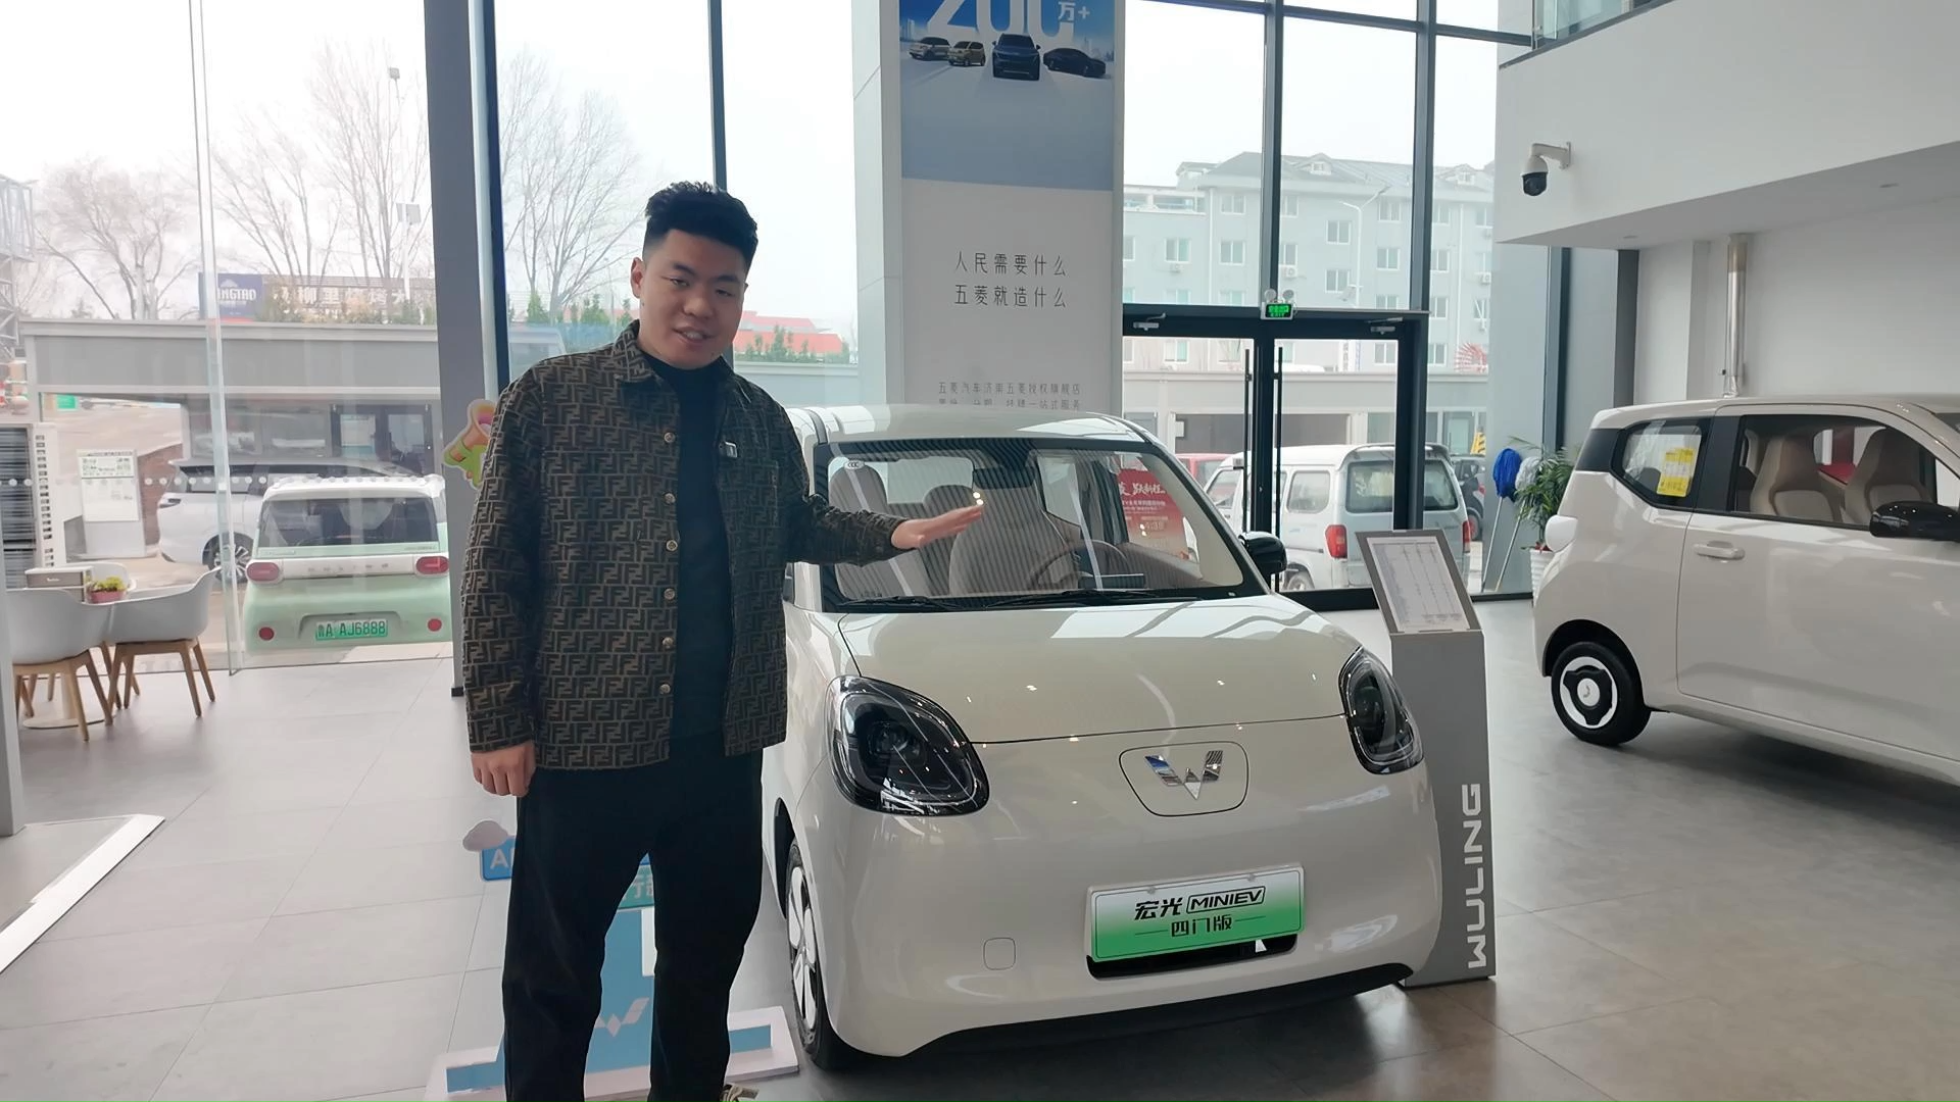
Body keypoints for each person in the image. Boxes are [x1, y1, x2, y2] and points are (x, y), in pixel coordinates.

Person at [460, 182, 982, 1102]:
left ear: (742, 297)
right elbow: (495, 565)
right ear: (639, 276)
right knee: (553, 976)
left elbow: (798, 522)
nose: (700, 305)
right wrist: (499, 720)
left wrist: (892, 532)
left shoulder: (758, 420)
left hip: (721, 753)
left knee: (703, 969)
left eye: (724, 287)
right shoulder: (552, 402)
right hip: (585, 750)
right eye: (681, 278)